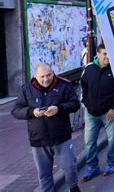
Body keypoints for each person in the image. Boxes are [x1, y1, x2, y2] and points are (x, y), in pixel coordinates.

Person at [11, 63, 81, 192]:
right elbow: (16, 110)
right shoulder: (26, 89)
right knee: (44, 174)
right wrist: (32, 112)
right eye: (42, 76)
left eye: (49, 75)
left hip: (62, 136)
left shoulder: (64, 85)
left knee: (70, 166)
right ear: (35, 76)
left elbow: (75, 104)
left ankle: (74, 187)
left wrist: (59, 109)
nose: (46, 79)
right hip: (38, 139)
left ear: (53, 73)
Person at [81, 43, 114, 181]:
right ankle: (92, 167)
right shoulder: (89, 69)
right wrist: (86, 103)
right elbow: (83, 86)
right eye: (104, 54)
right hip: (91, 114)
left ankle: (112, 163)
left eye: (109, 54)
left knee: (113, 139)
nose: (107, 57)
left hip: (108, 113)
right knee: (89, 142)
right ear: (97, 54)